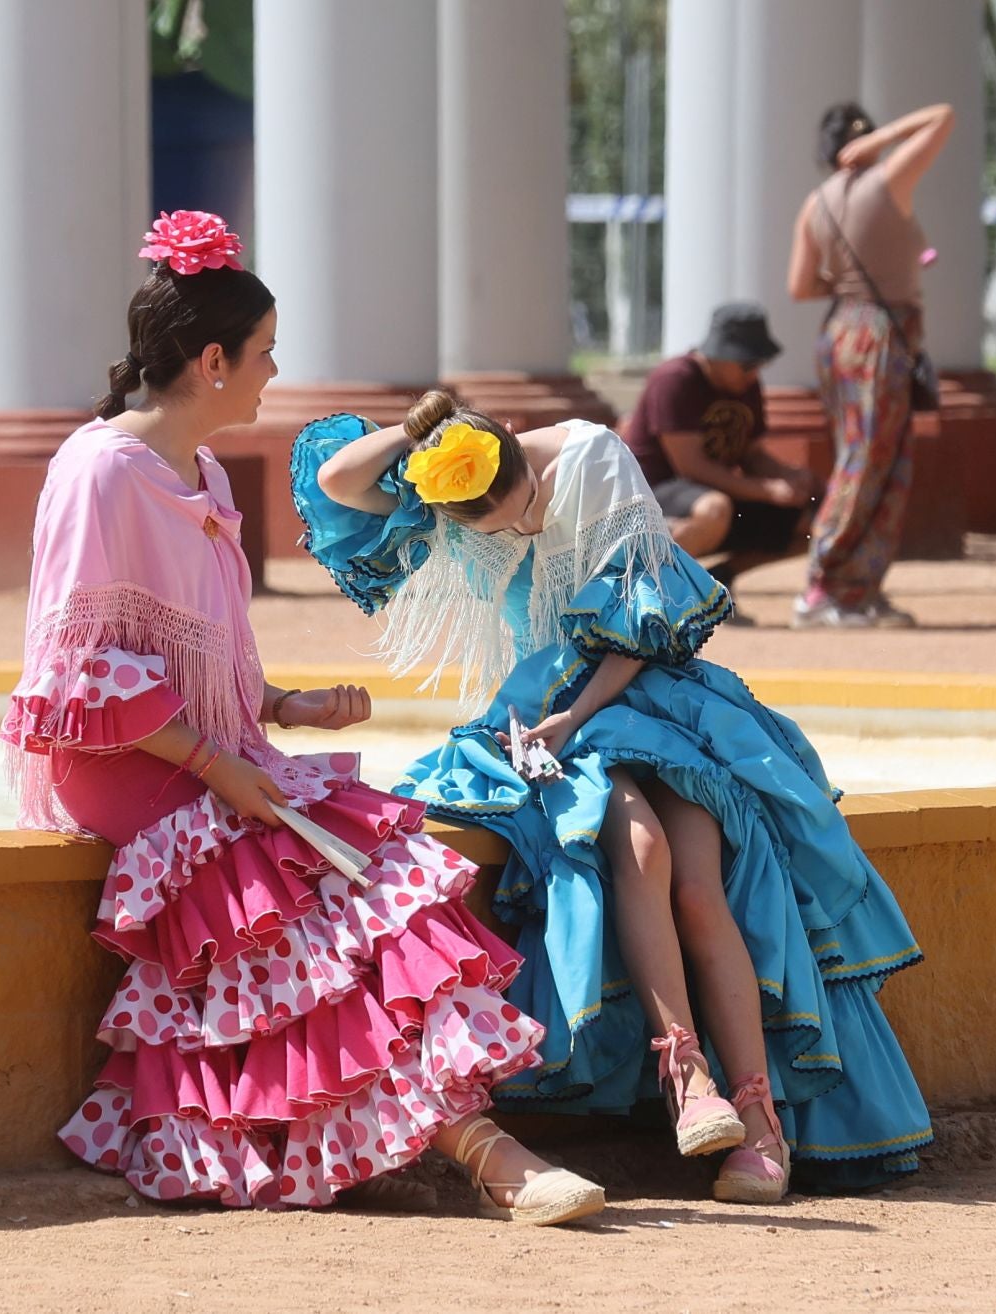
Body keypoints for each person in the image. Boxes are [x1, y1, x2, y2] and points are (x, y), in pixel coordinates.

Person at [3, 211, 605, 1227]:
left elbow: (182, 658)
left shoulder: (198, 474)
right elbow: (76, 672)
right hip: (134, 766)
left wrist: (284, 707)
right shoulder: (100, 471)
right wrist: (219, 764)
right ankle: (488, 1155)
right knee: (306, 886)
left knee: (378, 873)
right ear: (211, 360)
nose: (274, 373)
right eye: (265, 353)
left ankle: (454, 1135)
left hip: (205, 755)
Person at [293, 393, 931, 1202]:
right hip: (540, 718)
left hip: (642, 691)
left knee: (703, 885)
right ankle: (685, 1076)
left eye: (521, 512)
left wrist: (575, 719)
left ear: (529, 469)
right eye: (489, 528)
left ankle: (759, 1122)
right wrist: (425, 423)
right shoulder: (457, 477)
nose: (515, 533)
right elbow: (342, 480)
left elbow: (641, 623)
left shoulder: (596, 459)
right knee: (641, 848)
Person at [786, 100, 955, 629]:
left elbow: (800, 286)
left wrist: (848, 285)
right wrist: (885, 142)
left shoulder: (816, 203)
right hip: (883, 334)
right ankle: (826, 584)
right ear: (863, 143)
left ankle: (856, 586)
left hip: (840, 330)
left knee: (866, 457)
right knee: (871, 460)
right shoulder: (888, 180)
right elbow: (944, 117)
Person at [622, 303, 820, 603]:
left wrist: (789, 476)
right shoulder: (674, 379)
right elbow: (690, 467)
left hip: (716, 494)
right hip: (653, 494)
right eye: (747, 364)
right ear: (719, 354)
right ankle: (641, 584)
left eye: (758, 364)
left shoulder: (746, 385)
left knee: (815, 522)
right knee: (715, 508)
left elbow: (751, 456)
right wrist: (767, 490)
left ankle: (716, 581)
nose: (754, 372)